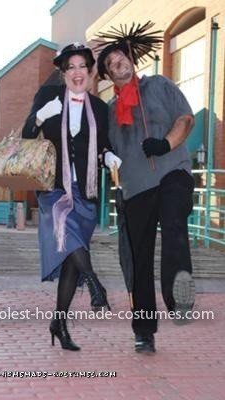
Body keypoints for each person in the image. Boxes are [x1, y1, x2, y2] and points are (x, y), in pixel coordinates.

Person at [96, 21, 195, 353]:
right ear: (108, 76)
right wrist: (106, 155)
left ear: (130, 58)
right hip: (135, 188)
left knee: (174, 223)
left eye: (119, 58)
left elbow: (185, 119)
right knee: (139, 260)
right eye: (109, 65)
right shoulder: (110, 111)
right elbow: (103, 145)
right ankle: (144, 330)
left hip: (172, 173)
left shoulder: (160, 85)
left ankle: (178, 295)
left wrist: (165, 145)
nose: (116, 64)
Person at [22, 43, 121, 351]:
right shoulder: (48, 97)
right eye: (71, 67)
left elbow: (102, 144)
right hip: (54, 187)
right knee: (71, 237)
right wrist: (40, 117)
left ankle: (59, 324)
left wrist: (109, 157)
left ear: (90, 72)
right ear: (63, 72)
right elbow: (27, 134)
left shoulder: (99, 107)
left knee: (71, 262)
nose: (78, 73)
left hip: (86, 191)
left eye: (83, 67)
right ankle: (94, 284)